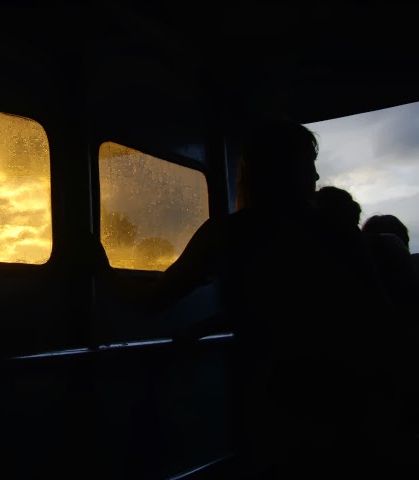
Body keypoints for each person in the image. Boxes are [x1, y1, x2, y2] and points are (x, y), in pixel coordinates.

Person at [90, 116, 414, 478]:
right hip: (346, 407)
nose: (317, 178)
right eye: (309, 165)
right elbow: (378, 320)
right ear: (290, 169)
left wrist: (99, 266)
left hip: (270, 409)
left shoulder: (228, 234)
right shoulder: (336, 231)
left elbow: (151, 301)